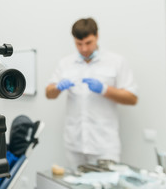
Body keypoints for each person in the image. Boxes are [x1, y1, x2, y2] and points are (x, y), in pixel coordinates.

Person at [46, 18, 138, 171]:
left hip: (104, 145)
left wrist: (104, 89)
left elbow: (132, 98)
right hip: (75, 143)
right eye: (78, 44)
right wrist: (57, 88)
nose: (83, 49)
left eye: (88, 43)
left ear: (97, 36)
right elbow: (49, 93)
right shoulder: (65, 63)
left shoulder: (116, 61)